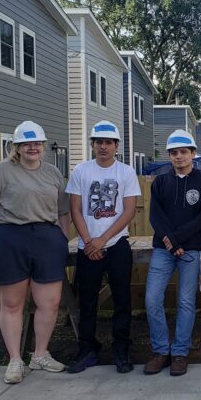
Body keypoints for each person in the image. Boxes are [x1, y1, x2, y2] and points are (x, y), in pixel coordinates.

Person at [0, 121, 70, 383]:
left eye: (37, 143)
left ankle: (39, 355)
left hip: (47, 239)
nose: (33, 148)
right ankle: (15, 360)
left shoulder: (52, 173)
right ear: (16, 147)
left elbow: (63, 210)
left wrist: (62, 237)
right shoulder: (0, 172)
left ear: (42, 146)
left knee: (49, 303)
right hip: (9, 237)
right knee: (13, 303)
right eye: (26, 144)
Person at [65, 121, 141, 374]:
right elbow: (75, 209)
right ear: (92, 145)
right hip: (88, 246)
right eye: (99, 142)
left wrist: (103, 239)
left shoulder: (126, 172)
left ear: (116, 146)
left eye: (108, 142)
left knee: (122, 300)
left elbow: (129, 210)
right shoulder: (81, 171)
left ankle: (121, 348)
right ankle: (88, 348)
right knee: (87, 301)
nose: (103, 147)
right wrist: (89, 241)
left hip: (117, 244)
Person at [144, 130, 201, 376]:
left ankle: (180, 352)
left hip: (191, 250)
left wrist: (177, 240)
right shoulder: (161, 182)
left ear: (193, 154)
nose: (179, 157)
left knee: (186, 302)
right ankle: (161, 351)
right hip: (163, 250)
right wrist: (171, 243)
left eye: (184, 152)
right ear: (169, 156)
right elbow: (155, 216)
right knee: (152, 299)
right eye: (174, 153)